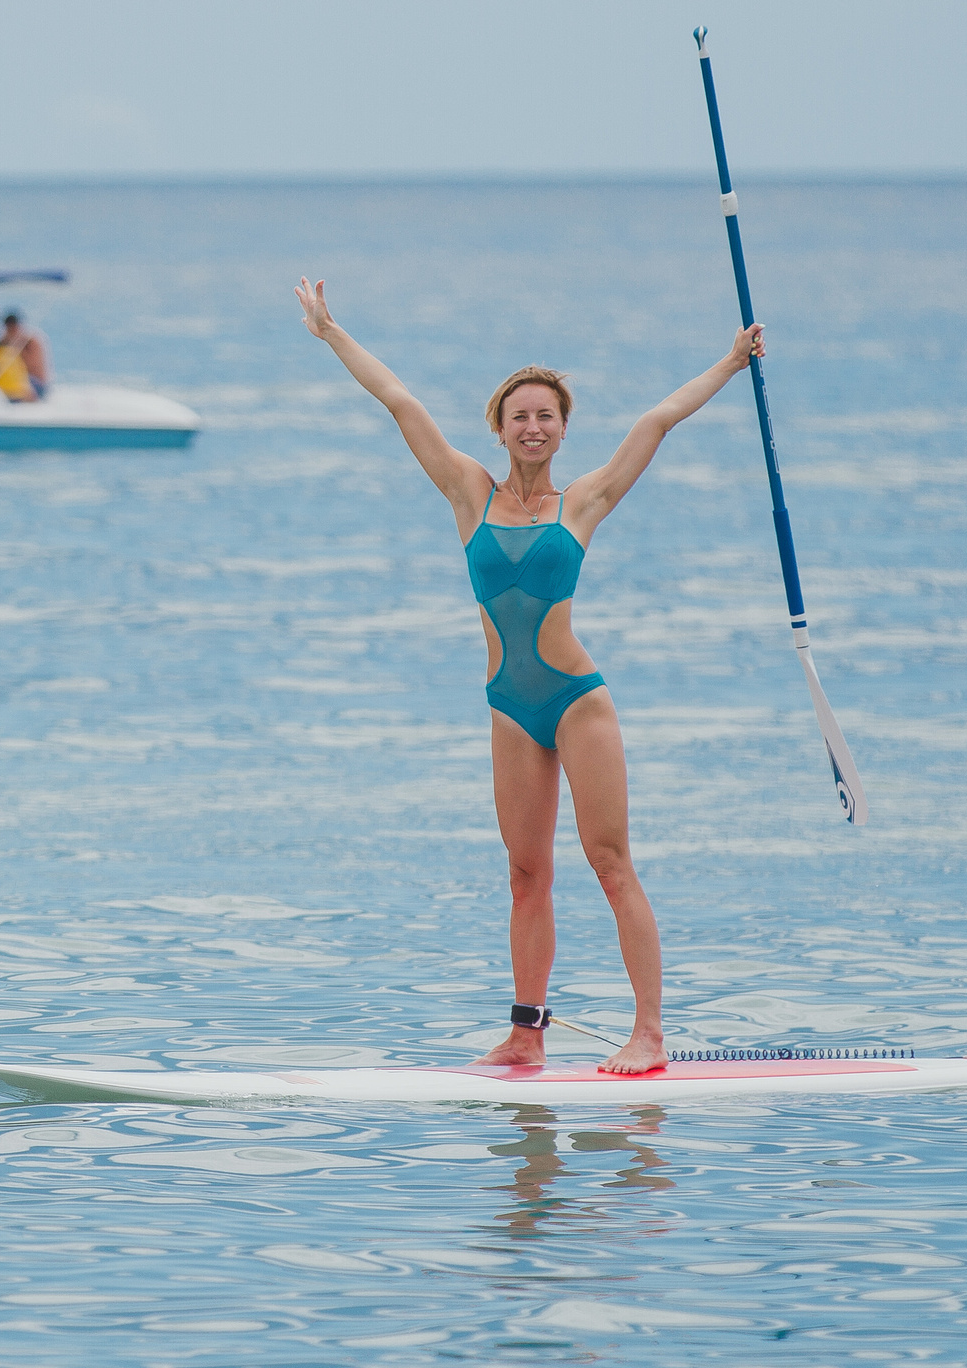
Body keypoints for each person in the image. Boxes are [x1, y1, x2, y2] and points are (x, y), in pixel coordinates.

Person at [295, 276, 766, 1076]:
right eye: (521, 416)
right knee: (524, 875)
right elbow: (398, 399)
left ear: (562, 428)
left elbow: (656, 419)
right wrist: (331, 333)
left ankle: (649, 1031)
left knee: (609, 861)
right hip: (509, 707)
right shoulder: (465, 490)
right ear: (501, 427)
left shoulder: (582, 503)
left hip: (577, 701)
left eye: (547, 415)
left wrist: (729, 362)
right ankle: (525, 1034)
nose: (534, 426)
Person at [0, 311, 49, 402]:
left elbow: (32, 364)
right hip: (10, 385)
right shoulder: (2, 343)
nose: (9, 329)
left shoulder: (30, 342)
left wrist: (14, 349)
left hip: (34, 384)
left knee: (7, 366)